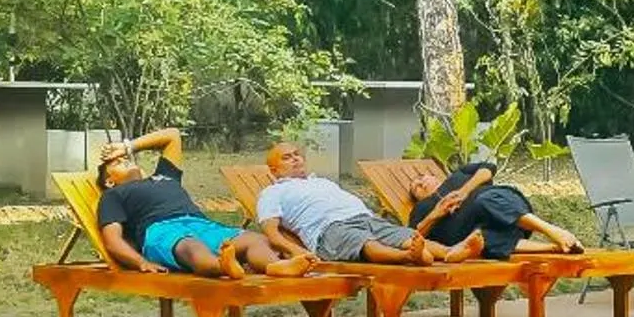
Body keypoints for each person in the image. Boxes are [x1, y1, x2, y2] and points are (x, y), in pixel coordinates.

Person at [96, 130, 313, 278]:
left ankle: (276, 267)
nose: (123, 160)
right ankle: (222, 266)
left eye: (124, 158)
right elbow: (112, 240)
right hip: (161, 231)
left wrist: (126, 147)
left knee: (254, 239)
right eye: (115, 163)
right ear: (109, 180)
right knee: (191, 247)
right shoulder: (114, 195)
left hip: (201, 224)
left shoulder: (164, 176)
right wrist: (140, 262)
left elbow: (172, 135)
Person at [255, 140, 484, 265]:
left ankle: (450, 252)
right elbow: (272, 233)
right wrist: (297, 252)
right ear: (274, 170)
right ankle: (407, 258)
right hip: (330, 230)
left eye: (297, 154)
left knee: (408, 237)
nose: (295, 159)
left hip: (365, 218)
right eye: (287, 157)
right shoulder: (272, 193)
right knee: (364, 244)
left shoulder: (320, 182)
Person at [404, 156, 586, 261]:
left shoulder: (457, 176)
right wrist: (436, 213)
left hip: (503, 204)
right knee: (484, 242)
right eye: (416, 188)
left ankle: (552, 230)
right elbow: (413, 236)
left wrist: (464, 191)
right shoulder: (421, 209)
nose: (421, 184)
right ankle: (555, 248)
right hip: (481, 232)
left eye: (421, 179)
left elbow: (488, 168)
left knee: (486, 199)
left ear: (433, 176)